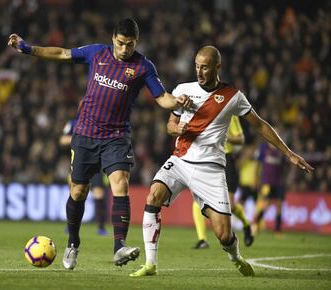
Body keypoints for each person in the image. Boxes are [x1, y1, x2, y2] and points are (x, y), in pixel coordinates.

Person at [8, 18, 193, 270]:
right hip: (85, 134)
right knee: (78, 192)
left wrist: (178, 102)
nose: (124, 49)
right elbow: (62, 53)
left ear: (135, 42)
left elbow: (162, 98)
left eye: (129, 44)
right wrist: (28, 49)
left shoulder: (143, 66)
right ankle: (73, 243)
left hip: (116, 137)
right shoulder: (96, 53)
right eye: (120, 43)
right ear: (113, 39)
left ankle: (119, 247)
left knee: (121, 184)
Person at [130, 45, 313, 277]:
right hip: (181, 159)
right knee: (153, 195)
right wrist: (179, 129)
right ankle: (151, 264)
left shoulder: (233, 96)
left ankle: (236, 257)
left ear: (218, 67)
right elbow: (170, 126)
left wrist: (289, 153)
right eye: (196, 66)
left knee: (224, 235)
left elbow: (259, 125)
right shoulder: (183, 89)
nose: (199, 71)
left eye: (204, 67)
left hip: (211, 168)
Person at [192, 115, 254, 249]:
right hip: (207, 159)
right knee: (198, 201)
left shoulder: (230, 115)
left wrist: (223, 136)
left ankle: (246, 225)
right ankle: (202, 239)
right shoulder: (205, 110)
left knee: (230, 206)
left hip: (226, 160)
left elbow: (240, 139)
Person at [60, 118, 108, 236]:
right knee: (75, 193)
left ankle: (101, 226)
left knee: (98, 193)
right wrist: (82, 140)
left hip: (96, 164)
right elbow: (62, 140)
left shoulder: (100, 121)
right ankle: (70, 226)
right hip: (78, 162)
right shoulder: (73, 123)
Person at [252, 141, 286, 236]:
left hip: (278, 181)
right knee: (265, 204)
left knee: (279, 205)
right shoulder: (263, 148)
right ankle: (256, 224)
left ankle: (278, 229)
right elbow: (257, 164)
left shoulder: (281, 148)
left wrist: (284, 179)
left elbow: (284, 165)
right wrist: (255, 179)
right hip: (266, 182)